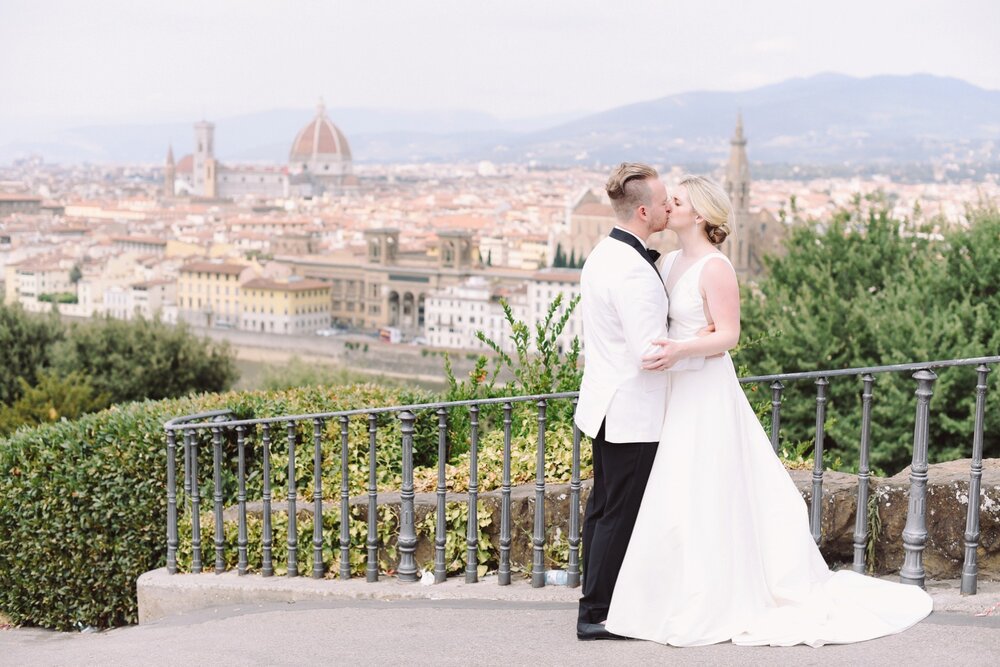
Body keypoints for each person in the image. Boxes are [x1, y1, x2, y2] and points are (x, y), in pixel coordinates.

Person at [603, 175, 933, 647]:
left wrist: (680, 349)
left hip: (705, 389)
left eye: (676, 201)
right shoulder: (670, 262)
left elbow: (729, 336)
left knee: (709, 485)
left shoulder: (715, 267)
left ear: (699, 214)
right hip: (678, 388)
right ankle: (675, 594)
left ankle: (716, 595)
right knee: (680, 489)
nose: (665, 207)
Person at [573, 163, 705, 641]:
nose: (670, 207)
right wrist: (701, 355)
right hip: (632, 412)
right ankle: (597, 614)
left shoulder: (603, 254)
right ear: (644, 210)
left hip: (607, 406)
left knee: (604, 509)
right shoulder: (632, 271)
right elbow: (651, 353)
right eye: (665, 200)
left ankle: (598, 602)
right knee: (618, 513)